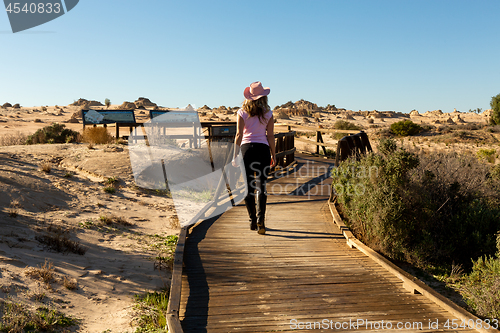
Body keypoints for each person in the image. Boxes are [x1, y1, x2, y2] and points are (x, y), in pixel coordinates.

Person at [233, 81, 276, 235]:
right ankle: (261, 220)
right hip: (263, 149)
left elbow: (239, 135)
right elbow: (270, 136)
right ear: (263, 97)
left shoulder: (242, 112)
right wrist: (274, 155)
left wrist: (234, 155)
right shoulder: (268, 113)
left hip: (246, 150)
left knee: (249, 187)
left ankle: (252, 219)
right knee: (261, 186)